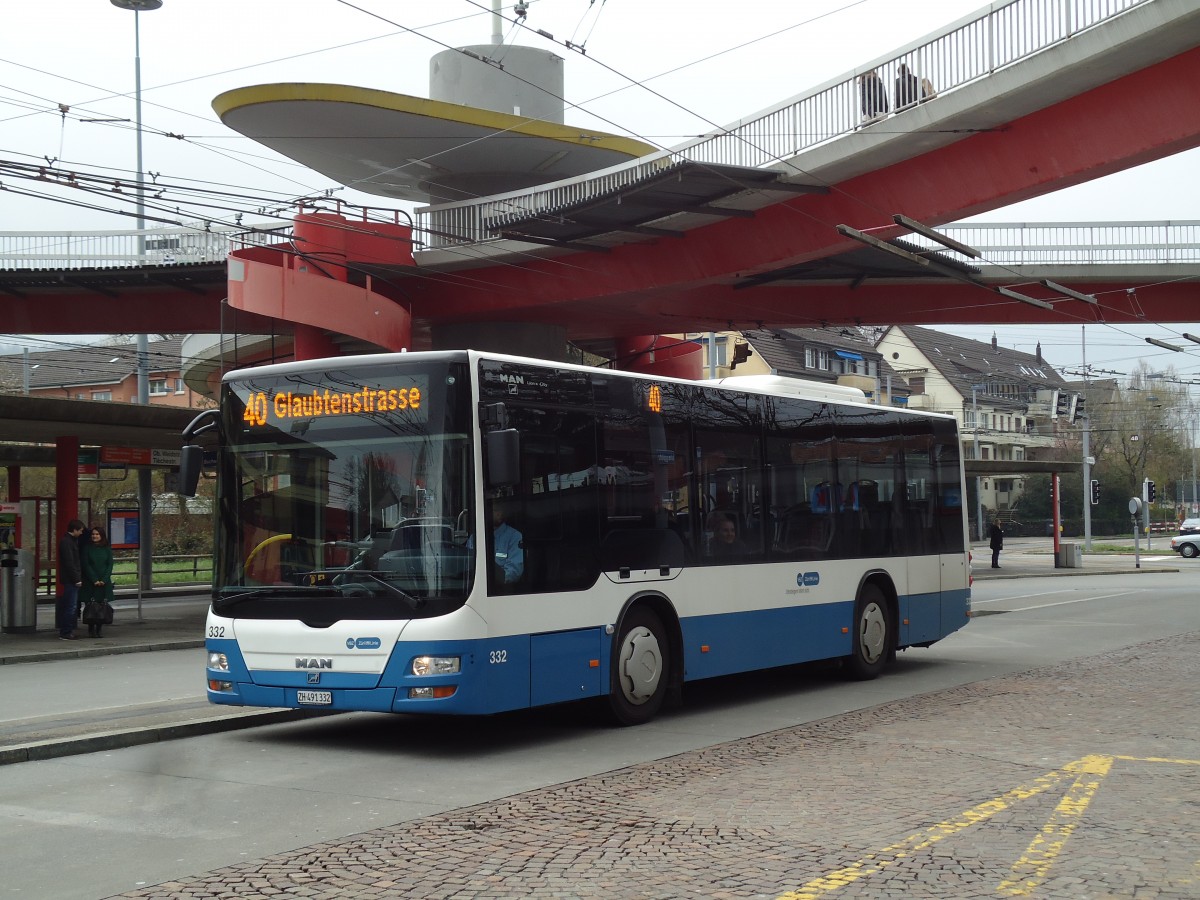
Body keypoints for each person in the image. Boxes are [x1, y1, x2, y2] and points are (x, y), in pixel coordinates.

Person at [80, 525, 116, 638]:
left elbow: (110, 564)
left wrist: (104, 579)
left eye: (97, 534)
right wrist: (94, 579)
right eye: (93, 534)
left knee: (102, 606)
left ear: (101, 535)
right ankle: (91, 629)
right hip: (90, 582)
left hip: (103, 582)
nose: (94, 536)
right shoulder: (87, 548)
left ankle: (99, 629)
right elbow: (86, 565)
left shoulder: (107, 548)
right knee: (91, 606)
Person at [56, 519, 86, 641]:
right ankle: (66, 631)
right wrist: (76, 579)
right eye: (80, 531)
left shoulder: (69, 541)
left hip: (70, 579)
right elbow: (69, 563)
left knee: (71, 605)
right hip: (70, 580)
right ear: (74, 530)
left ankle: (67, 630)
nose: (81, 533)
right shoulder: (67, 542)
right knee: (71, 606)